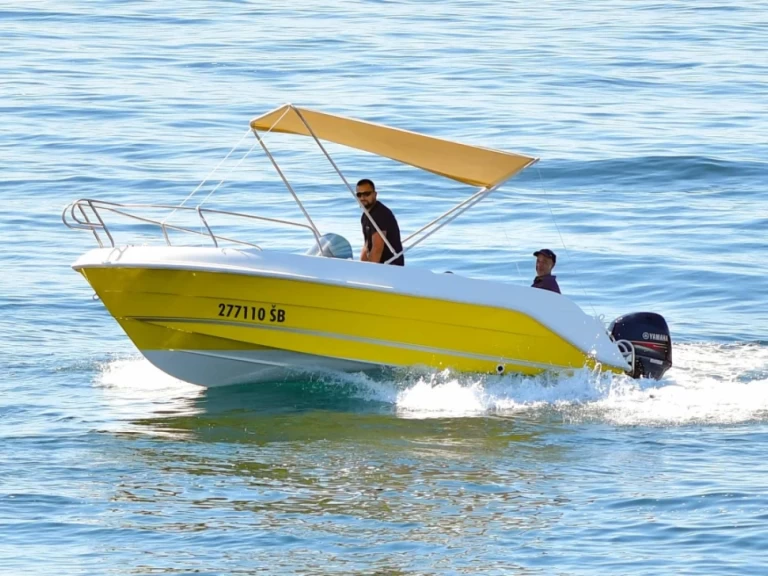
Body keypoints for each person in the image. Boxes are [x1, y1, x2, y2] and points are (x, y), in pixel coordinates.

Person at [357, 178, 404, 266]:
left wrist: (369, 272)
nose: (362, 198)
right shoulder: (365, 216)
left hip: (391, 268)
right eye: (359, 195)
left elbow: (377, 248)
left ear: (375, 194)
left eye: (366, 194)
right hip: (381, 267)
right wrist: (360, 267)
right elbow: (367, 246)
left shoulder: (380, 214)